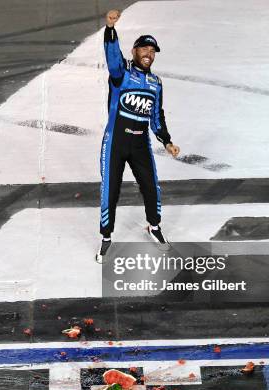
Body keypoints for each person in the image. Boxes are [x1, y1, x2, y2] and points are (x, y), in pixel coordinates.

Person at [96, 9, 181, 263]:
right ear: (135, 51)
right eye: (145, 49)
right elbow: (112, 57)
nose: (149, 54)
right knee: (111, 190)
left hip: (140, 142)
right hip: (115, 141)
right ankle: (106, 238)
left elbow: (157, 115)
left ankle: (154, 228)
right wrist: (111, 30)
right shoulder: (121, 74)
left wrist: (166, 140)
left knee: (151, 187)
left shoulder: (156, 83)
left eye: (153, 51)